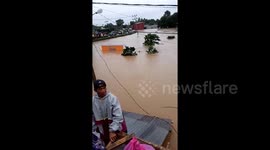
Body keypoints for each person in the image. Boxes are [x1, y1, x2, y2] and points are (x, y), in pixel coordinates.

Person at [92, 79, 127, 146]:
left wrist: (112, 131)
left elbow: (118, 116)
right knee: (106, 144)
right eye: (100, 89)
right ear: (95, 90)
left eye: (104, 88)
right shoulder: (93, 101)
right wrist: (94, 132)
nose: (103, 90)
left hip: (115, 126)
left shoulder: (113, 98)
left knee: (119, 143)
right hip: (102, 128)